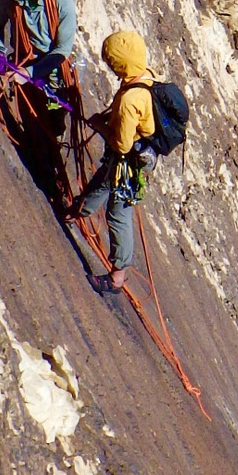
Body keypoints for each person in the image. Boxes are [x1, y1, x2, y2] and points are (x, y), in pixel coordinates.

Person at [73, 30, 157, 294]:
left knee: (118, 212)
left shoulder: (131, 99)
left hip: (129, 160)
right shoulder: (145, 75)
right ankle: (79, 210)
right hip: (132, 157)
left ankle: (117, 277)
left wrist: (100, 126)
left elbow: (122, 145)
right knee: (104, 180)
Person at [0, 0, 77, 112]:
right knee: (26, 110)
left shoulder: (62, 4)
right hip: (22, 61)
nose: (17, 1)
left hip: (53, 70)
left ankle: (54, 123)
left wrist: (28, 73)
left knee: (53, 113)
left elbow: (62, 50)